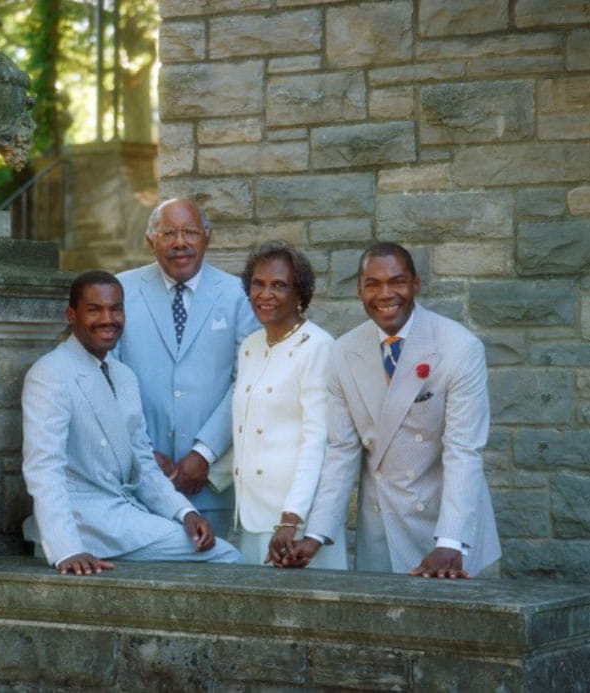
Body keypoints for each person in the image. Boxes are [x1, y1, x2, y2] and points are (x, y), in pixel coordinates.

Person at [288, 242, 500, 578]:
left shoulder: (460, 348)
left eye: (397, 281)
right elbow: (342, 451)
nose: (385, 294)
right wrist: (315, 536)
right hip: (382, 532)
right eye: (372, 284)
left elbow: (463, 451)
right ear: (359, 290)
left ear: (416, 284)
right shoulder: (343, 352)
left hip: (448, 531)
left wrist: (450, 542)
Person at [21, 270, 241, 575]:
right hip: (84, 521)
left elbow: (143, 462)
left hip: (121, 512)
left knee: (211, 547)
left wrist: (185, 512)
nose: (107, 319)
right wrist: (66, 549)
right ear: (72, 315)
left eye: (116, 309)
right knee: (225, 555)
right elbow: (43, 468)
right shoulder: (51, 373)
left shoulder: (123, 375)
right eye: (94, 310)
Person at [115, 199, 259, 540]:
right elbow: (108, 376)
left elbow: (247, 380)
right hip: (139, 482)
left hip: (209, 486)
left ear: (207, 237)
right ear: (151, 240)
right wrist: (144, 454)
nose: (180, 242)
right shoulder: (119, 291)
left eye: (190, 232)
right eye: (168, 233)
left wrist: (203, 453)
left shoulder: (239, 295)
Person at [233, 241, 347, 569]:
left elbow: (318, 441)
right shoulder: (251, 346)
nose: (265, 294)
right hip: (253, 515)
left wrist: (291, 518)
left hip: (296, 524)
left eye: (279, 285)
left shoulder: (318, 347)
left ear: (300, 294)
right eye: (258, 284)